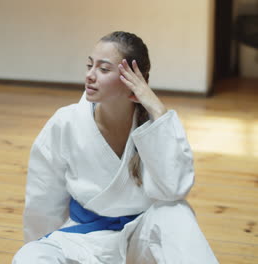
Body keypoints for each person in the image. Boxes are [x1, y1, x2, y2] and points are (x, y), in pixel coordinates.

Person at [13, 31, 218, 263]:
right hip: (85, 240)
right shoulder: (66, 122)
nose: (90, 75)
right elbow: (43, 200)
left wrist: (158, 111)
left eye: (103, 69)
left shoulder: (155, 126)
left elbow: (173, 190)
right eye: (90, 65)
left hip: (141, 238)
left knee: (176, 213)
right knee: (30, 256)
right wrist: (42, 246)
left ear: (133, 78)